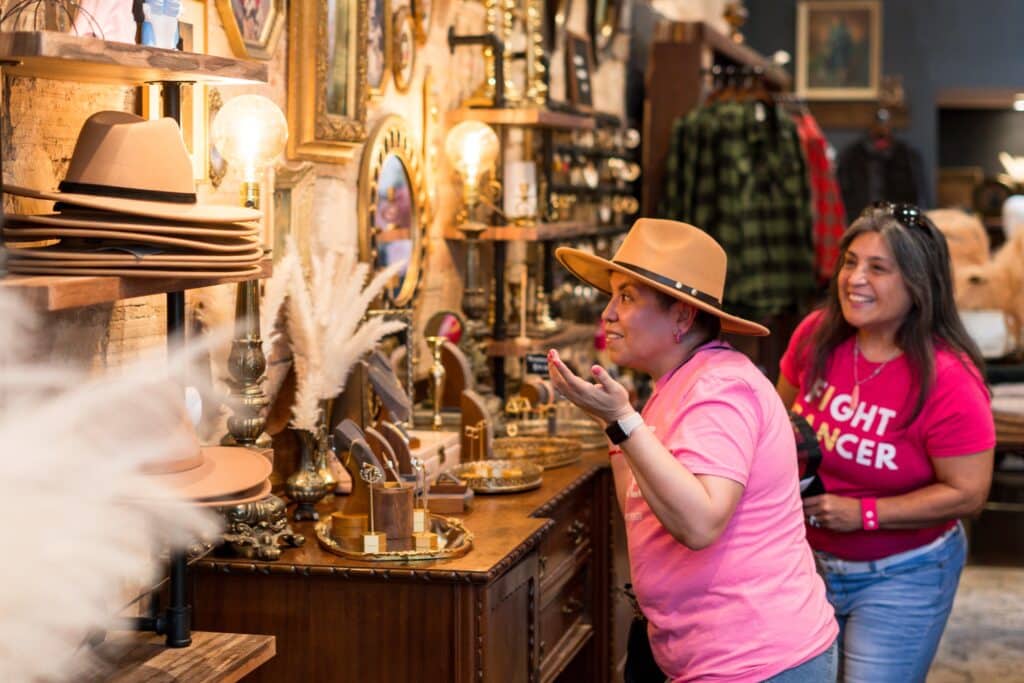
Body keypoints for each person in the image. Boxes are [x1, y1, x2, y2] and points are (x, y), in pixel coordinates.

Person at [548, 218, 838, 682]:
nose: (607, 314)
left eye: (626, 296)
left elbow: (700, 522)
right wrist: (615, 422)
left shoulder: (720, 388)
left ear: (682, 316)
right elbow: (643, 506)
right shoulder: (678, 385)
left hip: (757, 661)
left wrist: (623, 422)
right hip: (719, 658)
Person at [777, 202, 995, 682]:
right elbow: (780, 432)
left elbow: (969, 492)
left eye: (878, 268)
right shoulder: (816, 337)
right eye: (850, 262)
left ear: (918, 283)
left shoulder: (949, 380)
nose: (855, 278)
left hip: (902, 573)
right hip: (803, 562)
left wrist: (866, 513)